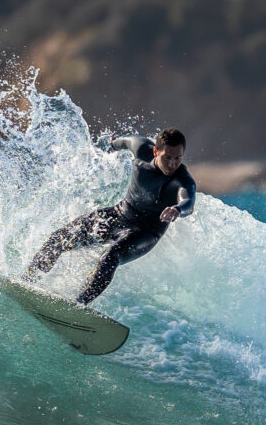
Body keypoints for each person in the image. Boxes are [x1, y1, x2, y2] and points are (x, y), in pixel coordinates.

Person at [22, 127, 196, 304]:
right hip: (120, 214)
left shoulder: (183, 179)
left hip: (146, 231)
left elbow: (188, 201)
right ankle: (26, 282)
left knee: (111, 257)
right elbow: (124, 141)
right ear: (155, 151)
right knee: (60, 238)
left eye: (178, 158)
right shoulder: (141, 148)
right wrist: (110, 145)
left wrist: (178, 209)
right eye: (167, 157)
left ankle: (77, 306)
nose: (173, 164)